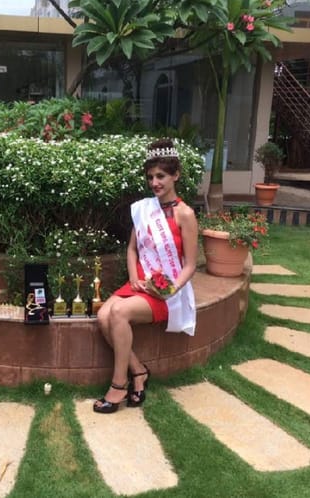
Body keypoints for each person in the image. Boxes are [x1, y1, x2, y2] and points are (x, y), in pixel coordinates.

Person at [94, 138, 198, 414]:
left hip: (166, 292)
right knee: (103, 316)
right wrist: (133, 278)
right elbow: (132, 248)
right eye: (151, 177)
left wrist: (170, 290)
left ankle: (119, 385)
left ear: (176, 175)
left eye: (161, 176)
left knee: (118, 313)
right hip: (139, 282)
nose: (155, 183)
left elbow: (190, 265)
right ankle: (139, 371)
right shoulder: (144, 209)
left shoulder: (186, 215)